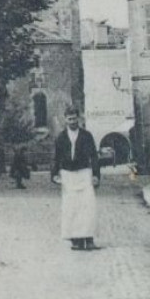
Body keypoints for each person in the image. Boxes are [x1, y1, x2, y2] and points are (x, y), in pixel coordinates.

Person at [52, 107, 100, 250]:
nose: (72, 121)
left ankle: (89, 239)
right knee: (71, 208)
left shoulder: (86, 136)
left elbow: (94, 157)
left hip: (84, 173)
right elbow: (56, 157)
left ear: (78, 118)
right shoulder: (61, 137)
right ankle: (75, 240)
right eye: (69, 119)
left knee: (87, 206)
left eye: (74, 118)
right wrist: (54, 174)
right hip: (68, 175)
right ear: (65, 120)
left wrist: (96, 175)